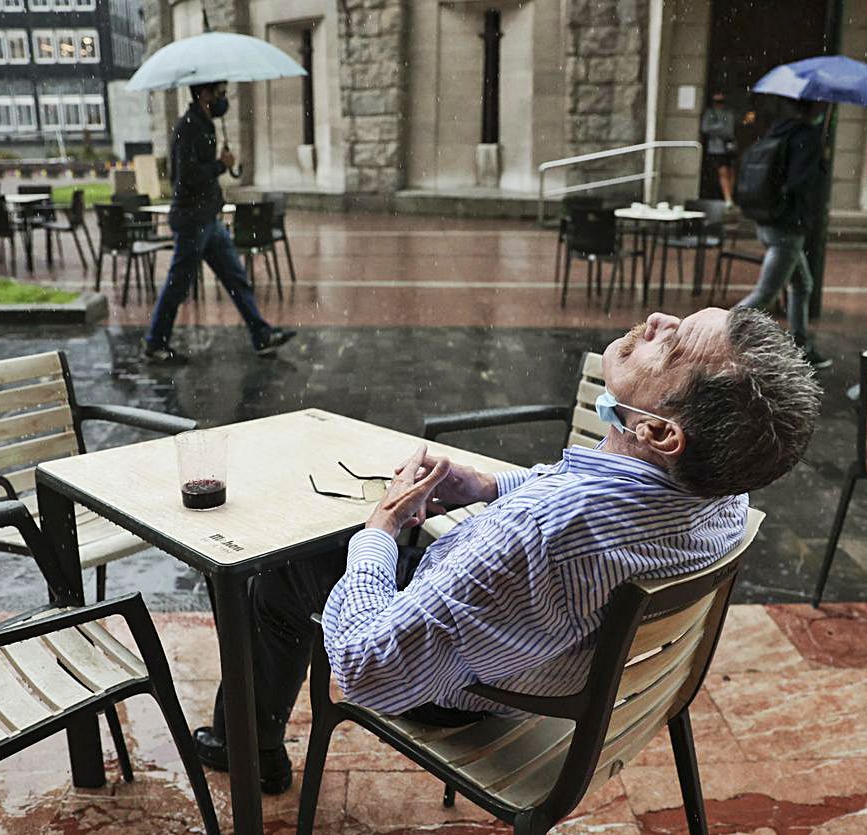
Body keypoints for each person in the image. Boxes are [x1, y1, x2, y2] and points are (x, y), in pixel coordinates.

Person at [193, 307, 821, 792]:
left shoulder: (534, 534)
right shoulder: (721, 492)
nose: (658, 321)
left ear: (658, 430)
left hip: (466, 688)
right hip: (552, 654)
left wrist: (381, 531)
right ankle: (250, 739)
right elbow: (589, 496)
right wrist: (490, 485)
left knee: (279, 574)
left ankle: (249, 751)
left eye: (673, 342)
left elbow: (369, 667)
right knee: (340, 555)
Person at [143, 81, 295, 365]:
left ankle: (261, 335)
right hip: (192, 221)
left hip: (208, 221)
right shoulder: (189, 127)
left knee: (236, 278)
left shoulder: (204, 124)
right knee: (178, 284)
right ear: (204, 94)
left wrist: (221, 164)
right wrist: (220, 165)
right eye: (220, 94)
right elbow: (185, 177)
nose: (224, 100)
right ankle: (155, 343)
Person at [733, 97, 831, 370]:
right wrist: (821, 165)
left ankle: (802, 345)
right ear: (816, 107)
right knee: (765, 294)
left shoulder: (779, 130)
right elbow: (802, 182)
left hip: (768, 221)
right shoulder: (807, 137)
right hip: (787, 227)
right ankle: (716, 333)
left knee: (802, 284)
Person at [699, 90, 738, 205]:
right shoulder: (710, 113)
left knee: (730, 172)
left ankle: (729, 196)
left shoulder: (728, 113)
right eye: (716, 101)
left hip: (728, 147)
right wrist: (720, 127)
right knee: (723, 172)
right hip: (715, 147)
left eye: (721, 101)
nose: (719, 104)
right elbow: (705, 128)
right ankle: (727, 198)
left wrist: (717, 129)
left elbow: (730, 130)